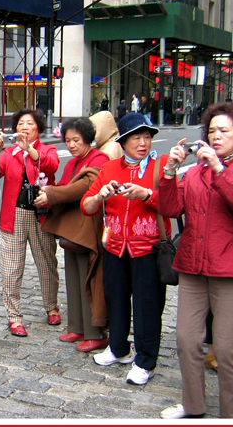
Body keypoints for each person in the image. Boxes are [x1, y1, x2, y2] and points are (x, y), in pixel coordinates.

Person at [157, 102, 233, 420]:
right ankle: (193, 406)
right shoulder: (194, 172)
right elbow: (169, 208)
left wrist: (219, 170)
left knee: (226, 346)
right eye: (212, 130)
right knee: (187, 340)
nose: (216, 136)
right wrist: (168, 172)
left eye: (224, 131)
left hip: (231, 268)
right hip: (192, 265)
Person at [81, 112, 169, 386]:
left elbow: (173, 205)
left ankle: (145, 361)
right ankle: (119, 349)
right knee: (116, 299)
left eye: (147, 137)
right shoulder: (110, 168)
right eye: (136, 138)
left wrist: (147, 195)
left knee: (147, 306)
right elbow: (87, 206)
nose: (142, 143)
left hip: (148, 248)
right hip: (116, 247)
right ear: (123, 141)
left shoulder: (160, 166)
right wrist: (100, 195)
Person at [36, 117, 116, 353]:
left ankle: (95, 332)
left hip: (90, 228)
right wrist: (48, 191)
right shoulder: (72, 163)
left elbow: (82, 187)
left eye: (76, 140)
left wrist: (51, 194)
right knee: (73, 278)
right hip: (71, 230)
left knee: (89, 279)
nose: (71, 145)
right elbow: (63, 186)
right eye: (68, 140)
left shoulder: (99, 159)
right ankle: (77, 327)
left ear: (88, 139)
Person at [0, 108, 61, 337]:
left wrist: (30, 150)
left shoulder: (47, 149)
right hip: (14, 215)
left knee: (47, 263)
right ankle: (14, 316)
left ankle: (51, 306)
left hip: (40, 214)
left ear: (38, 127)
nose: (24, 127)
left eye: (29, 123)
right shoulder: (9, 153)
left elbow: (51, 166)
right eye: (20, 124)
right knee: (11, 268)